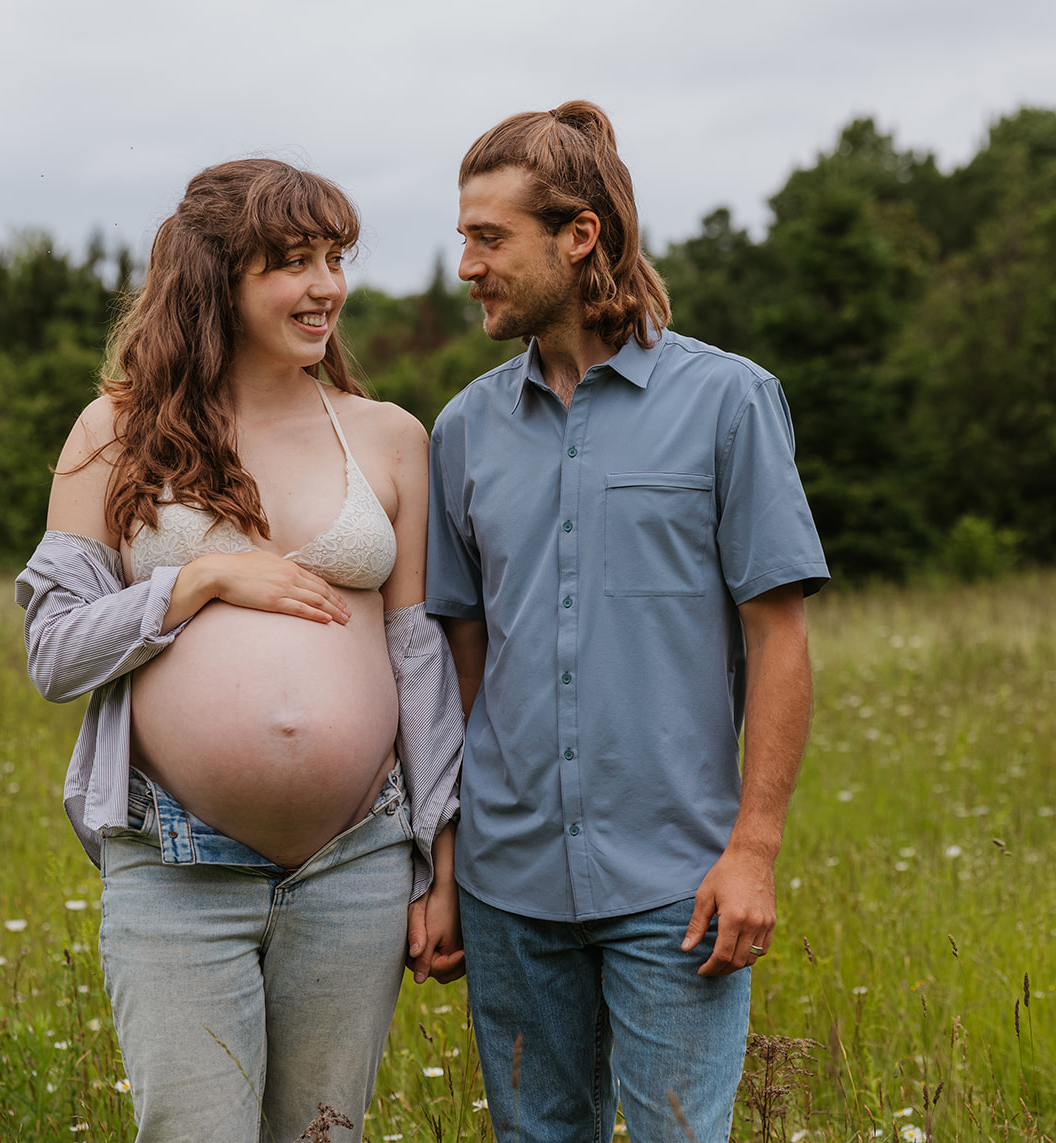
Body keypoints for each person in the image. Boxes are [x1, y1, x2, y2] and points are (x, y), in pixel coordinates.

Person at [14, 159, 463, 1143]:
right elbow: (52, 649)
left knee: (320, 1134)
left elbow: (418, 656)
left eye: (335, 258)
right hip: (176, 860)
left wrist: (442, 856)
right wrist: (197, 582)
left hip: (356, 860)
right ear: (217, 277)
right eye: (291, 262)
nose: (325, 287)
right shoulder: (114, 432)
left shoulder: (388, 438)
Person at [425, 102, 830, 1140]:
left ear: (579, 235)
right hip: (509, 886)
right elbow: (463, 652)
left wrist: (754, 850)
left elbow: (777, 638)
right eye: (463, 235)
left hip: (677, 884)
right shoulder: (463, 431)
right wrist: (454, 858)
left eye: (487, 237)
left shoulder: (729, 402)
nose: (465, 263)